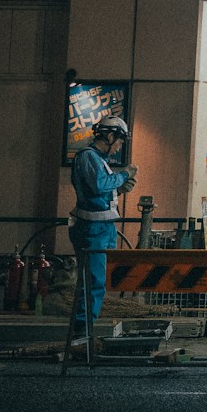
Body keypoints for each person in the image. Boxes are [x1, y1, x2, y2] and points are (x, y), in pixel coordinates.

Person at [69, 114, 134, 344]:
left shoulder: (96, 159)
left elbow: (102, 190)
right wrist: (124, 174)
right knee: (92, 282)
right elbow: (98, 185)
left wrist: (120, 189)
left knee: (97, 281)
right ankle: (81, 333)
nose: (118, 147)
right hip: (92, 228)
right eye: (119, 142)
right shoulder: (88, 157)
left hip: (102, 226)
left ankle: (84, 330)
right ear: (109, 135)